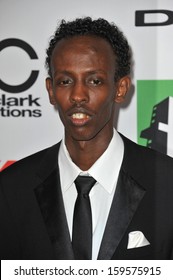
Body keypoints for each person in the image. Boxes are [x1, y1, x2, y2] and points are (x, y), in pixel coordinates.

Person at [0, 17, 173, 260]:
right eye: (65, 81)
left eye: (94, 80)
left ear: (120, 89)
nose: (77, 95)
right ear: (51, 90)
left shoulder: (167, 184)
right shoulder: (10, 189)